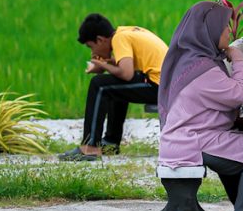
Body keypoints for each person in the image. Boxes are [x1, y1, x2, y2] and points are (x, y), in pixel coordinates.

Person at [157, 1, 243, 211]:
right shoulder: (204, 69)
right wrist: (238, 58)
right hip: (193, 142)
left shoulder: (191, 60)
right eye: (224, 28)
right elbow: (241, 94)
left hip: (187, 139)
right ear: (208, 31)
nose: (229, 33)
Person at [59, 14, 168, 161]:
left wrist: (102, 65)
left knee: (99, 85)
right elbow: (123, 67)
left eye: (91, 47)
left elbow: (126, 73)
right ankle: (111, 143)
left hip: (159, 86)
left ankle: (90, 147)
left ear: (100, 40)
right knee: (114, 86)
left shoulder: (119, 39)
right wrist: (105, 64)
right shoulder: (126, 32)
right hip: (166, 84)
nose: (93, 52)